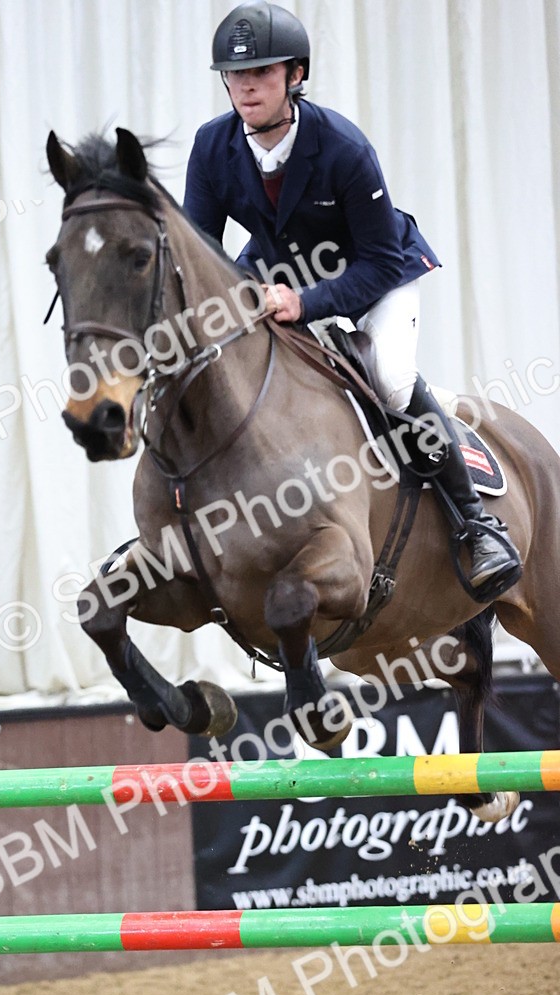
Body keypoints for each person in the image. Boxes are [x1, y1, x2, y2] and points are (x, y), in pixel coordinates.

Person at [184, 0, 522, 602]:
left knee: (390, 378)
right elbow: (202, 250)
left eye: (261, 72)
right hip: (281, 266)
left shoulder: (342, 146)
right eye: (235, 75)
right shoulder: (212, 147)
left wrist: (305, 304)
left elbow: (379, 260)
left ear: (295, 76)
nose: (245, 86)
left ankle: (478, 524)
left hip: (374, 269)